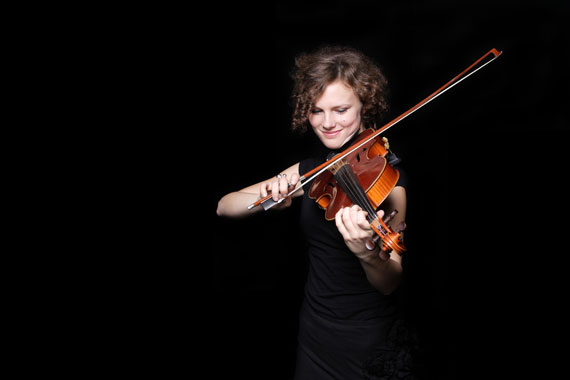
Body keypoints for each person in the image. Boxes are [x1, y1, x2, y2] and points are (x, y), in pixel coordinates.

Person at [217, 46, 416, 379]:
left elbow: (389, 282)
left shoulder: (390, 183)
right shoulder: (312, 172)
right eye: (315, 110)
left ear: (365, 106)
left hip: (366, 338)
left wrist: (368, 257)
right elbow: (225, 205)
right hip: (314, 332)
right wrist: (270, 196)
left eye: (340, 110)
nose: (327, 123)